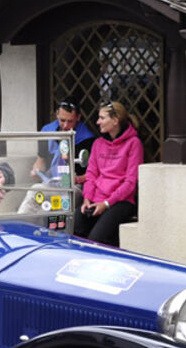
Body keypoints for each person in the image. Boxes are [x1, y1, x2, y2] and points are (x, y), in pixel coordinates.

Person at [74, 101, 142, 247]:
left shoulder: (133, 144)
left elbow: (130, 183)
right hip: (95, 199)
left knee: (96, 240)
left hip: (120, 201)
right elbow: (91, 175)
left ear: (115, 121)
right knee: (74, 229)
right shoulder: (98, 143)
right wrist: (87, 199)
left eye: (102, 118)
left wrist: (106, 203)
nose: (98, 122)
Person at [30, 98, 97, 183]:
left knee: (62, 195)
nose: (65, 126)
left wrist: (75, 179)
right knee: (32, 194)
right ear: (57, 114)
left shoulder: (87, 139)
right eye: (62, 120)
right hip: (51, 182)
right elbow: (41, 160)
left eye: (70, 121)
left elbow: (91, 173)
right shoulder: (47, 131)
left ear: (78, 117)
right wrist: (37, 171)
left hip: (73, 184)